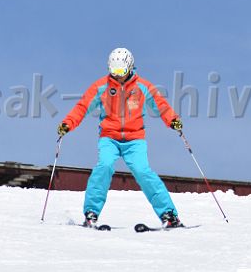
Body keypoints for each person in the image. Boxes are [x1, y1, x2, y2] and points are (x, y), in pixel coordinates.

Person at [57, 48, 184, 228]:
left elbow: (161, 105)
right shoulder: (101, 87)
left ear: (130, 67)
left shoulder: (143, 87)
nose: (118, 75)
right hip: (109, 138)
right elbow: (82, 107)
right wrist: (68, 123)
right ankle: (91, 213)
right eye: (114, 71)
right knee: (104, 166)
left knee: (142, 171)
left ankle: (169, 215)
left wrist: (173, 120)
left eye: (121, 71)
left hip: (135, 139)